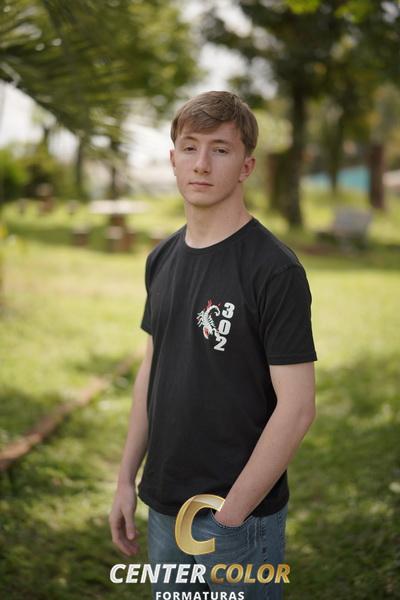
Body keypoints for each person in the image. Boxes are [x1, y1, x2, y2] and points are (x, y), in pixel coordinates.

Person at [109, 91, 318, 599]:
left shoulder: (274, 269)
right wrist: (125, 479)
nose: (201, 163)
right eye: (190, 147)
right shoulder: (161, 258)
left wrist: (231, 515)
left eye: (220, 149)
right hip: (164, 506)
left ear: (246, 166)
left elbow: (297, 407)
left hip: (236, 518)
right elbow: (152, 372)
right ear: (173, 158)